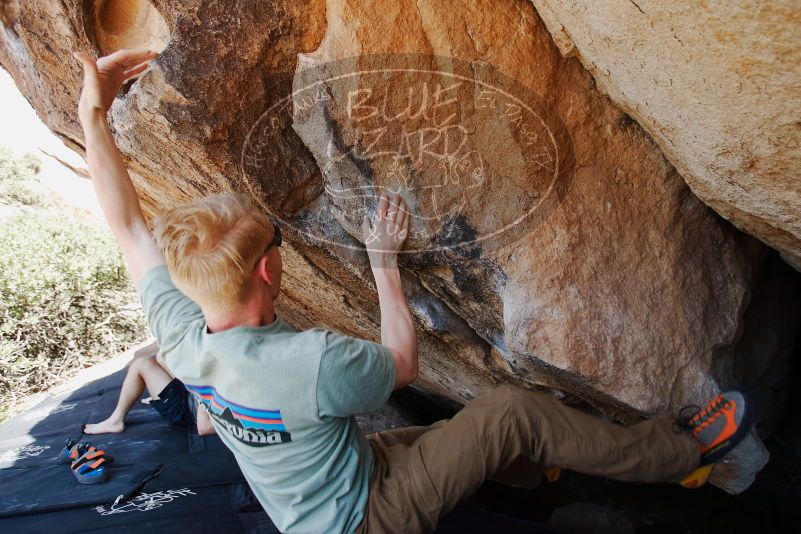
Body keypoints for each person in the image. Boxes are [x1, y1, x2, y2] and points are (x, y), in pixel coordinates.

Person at [73, 48, 755, 533]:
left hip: (321, 494)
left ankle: (540, 467)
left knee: (450, 436)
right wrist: (383, 266)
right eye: (276, 247)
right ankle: (684, 457)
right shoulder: (304, 364)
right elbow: (401, 362)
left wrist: (91, 116)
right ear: (267, 272)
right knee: (509, 414)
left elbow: (127, 226)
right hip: (365, 516)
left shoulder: (184, 336)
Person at [84, 343, 216, 436]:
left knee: (141, 364)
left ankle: (115, 421)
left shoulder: (222, 386)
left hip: (184, 410)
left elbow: (204, 428)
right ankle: (158, 393)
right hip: (192, 393)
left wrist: (202, 389)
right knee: (162, 355)